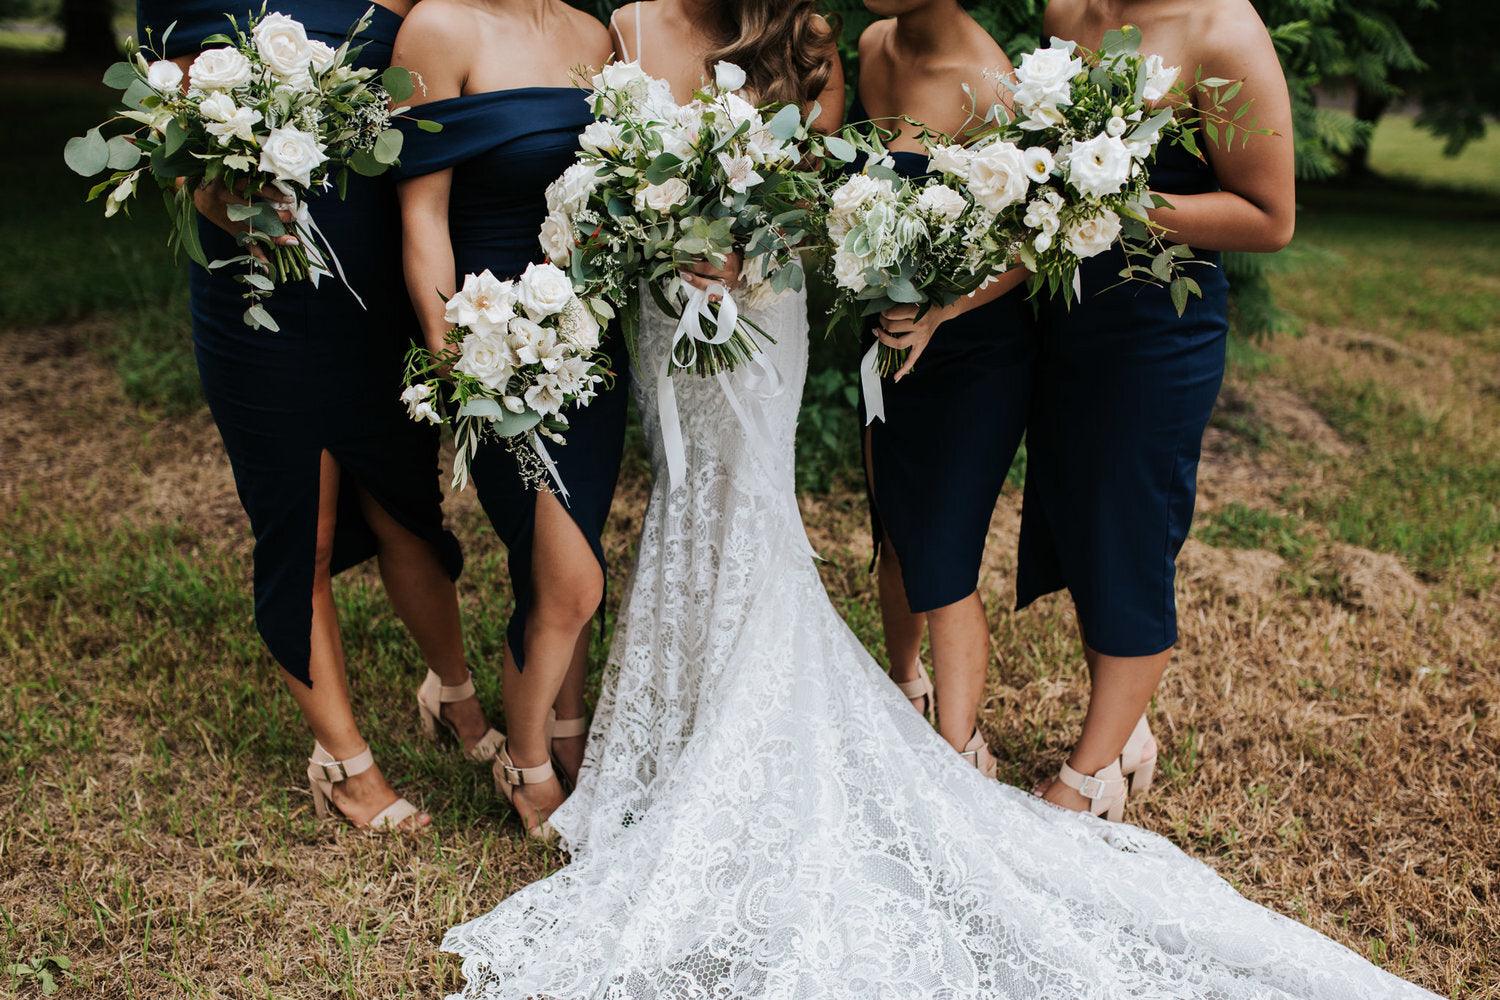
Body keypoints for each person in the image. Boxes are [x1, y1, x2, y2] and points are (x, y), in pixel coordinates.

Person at [432, 5, 1435, 998]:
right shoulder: (833, 39)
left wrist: (961, 263)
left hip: (852, 317)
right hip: (730, 318)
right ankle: (698, 705)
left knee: (984, 527)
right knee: (793, 514)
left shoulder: (893, 50)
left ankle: (1067, 748)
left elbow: (923, 208)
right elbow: (838, 193)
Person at [136, 0, 469, 832]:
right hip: (258, 298)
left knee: (408, 512)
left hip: (376, 292)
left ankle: (455, 696)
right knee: (304, 528)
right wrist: (228, 200)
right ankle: (346, 763)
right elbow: (170, 143)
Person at [1017, 0, 1297, 820]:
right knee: (1079, 519)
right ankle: (1128, 726)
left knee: (1130, 532)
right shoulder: (1065, 7)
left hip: (1159, 331)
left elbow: (1270, 219)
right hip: (1067, 317)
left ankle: (1089, 774)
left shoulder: (1222, 31)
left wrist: (1117, 204)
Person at [392, 0, 631, 840]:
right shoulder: (439, 29)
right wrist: (457, 353)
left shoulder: (595, 36)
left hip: (587, 342)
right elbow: (421, 214)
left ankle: (568, 731)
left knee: (563, 556)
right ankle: (524, 763)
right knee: (573, 579)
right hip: (492, 342)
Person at [853, 0, 1037, 775]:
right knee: (893, 524)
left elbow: (1036, 242)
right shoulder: (870, 47)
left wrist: (940, 311)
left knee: (946, 551)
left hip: (975, 351)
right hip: (887, 337)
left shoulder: (991, 87)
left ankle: (961, 755)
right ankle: (905, 682)